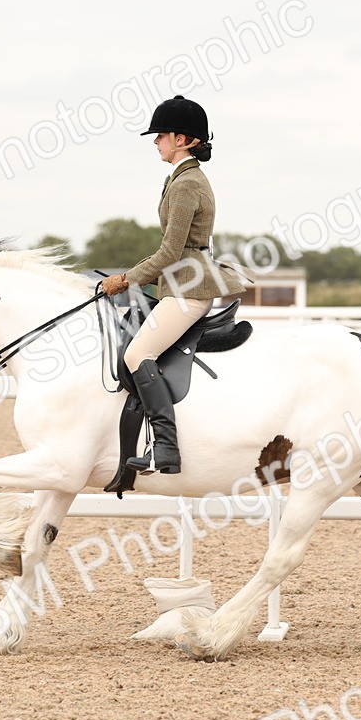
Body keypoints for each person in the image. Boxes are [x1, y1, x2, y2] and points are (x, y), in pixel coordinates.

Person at [99, 95, 249, 475]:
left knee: (136, 355)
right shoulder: (180, 178)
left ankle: (165, 448)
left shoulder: (186, 184)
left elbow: (170, 251)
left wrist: (125, 279)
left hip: (188, 287)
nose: (156, 142)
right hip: (179, 283)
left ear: (182, 139)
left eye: (161, 135)